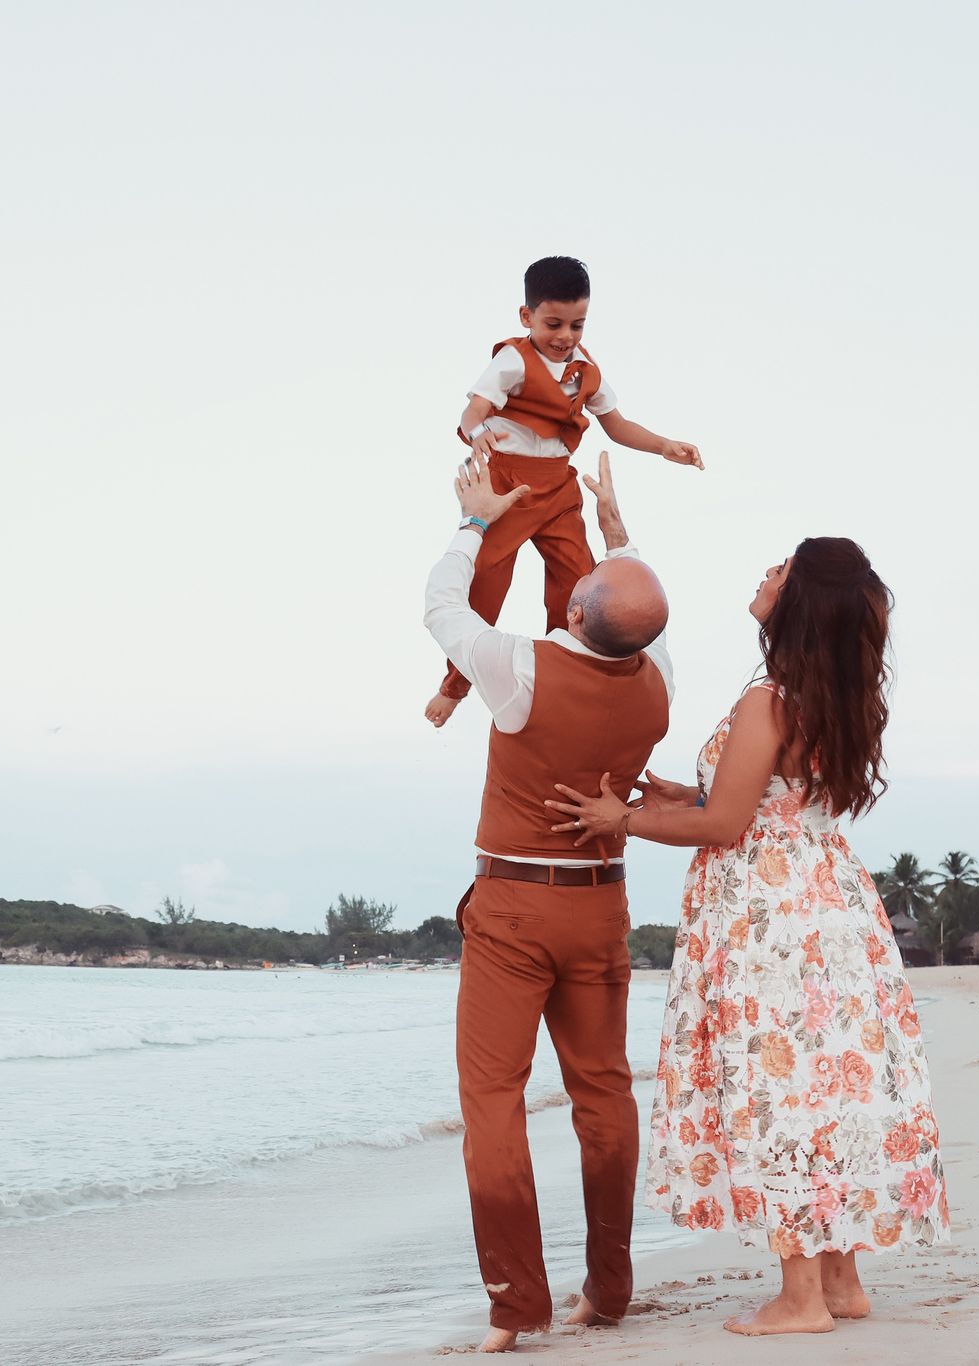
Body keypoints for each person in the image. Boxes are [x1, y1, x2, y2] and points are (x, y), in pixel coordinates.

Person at [545, 537, 951, 1337]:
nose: (766, 575)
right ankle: (841, 1281)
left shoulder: (769, 699)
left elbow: (728, 822)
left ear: (800, 603)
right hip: (825, 905)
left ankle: (800, 1299)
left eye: (782, 572)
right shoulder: (830, 695)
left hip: (771, 920)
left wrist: (619, 819)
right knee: (823, 1083)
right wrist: (673, 795)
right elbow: (765, 797)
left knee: (779, 1091)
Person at [424, 449, 672, 1353]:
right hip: (603, 906)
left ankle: (517, 1306)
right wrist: (614, 526)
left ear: (571, 608)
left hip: (515, 911)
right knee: (603, 1095)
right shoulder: (658, 681)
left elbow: (441, 606)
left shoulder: (519, 671)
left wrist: (475, 520)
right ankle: (609, 1287)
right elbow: (633, 613)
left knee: (492, 1100)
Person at [426, 255, 703, 731]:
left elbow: (616, 426)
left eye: (577, 325)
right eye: (553, 323)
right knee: (486, 581)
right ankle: (455, 686)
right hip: (508, 485)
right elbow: (472, 413)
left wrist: (663, 447)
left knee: (581, 585)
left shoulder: (585, 368)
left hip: (557, 484)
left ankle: (571, 670)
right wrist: (476, 435)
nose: (565, 337)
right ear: (526, 316)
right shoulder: (513, 360)